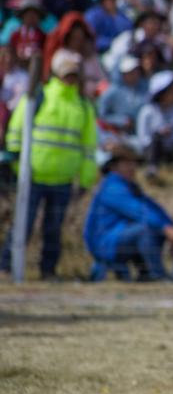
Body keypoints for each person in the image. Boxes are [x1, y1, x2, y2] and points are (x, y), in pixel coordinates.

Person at [1, 48, 96, 279]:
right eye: (67, 73)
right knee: (23, 225)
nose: (70, 78)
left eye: (74, 74)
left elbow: (88, 147)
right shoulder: (39, 95)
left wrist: (85, 179)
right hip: (32, 176)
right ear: (55, 73)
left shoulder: (83, 105)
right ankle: (6, 267)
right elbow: (17, 128)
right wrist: (14, 159)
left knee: (53, 230)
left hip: (63, 180)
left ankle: (48, 270)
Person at [84, 144, 173, 281]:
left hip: (119, 238)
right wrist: (166, 229)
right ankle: (158, 275)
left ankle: (146, 274)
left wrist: (170, 228)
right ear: (113, 166)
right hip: (105, 244)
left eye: (134, 163)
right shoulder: (112, 188)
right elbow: (139, 211)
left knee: (151, 227)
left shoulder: (130, 186)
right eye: (127, 163)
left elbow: (153, 208)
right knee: (146, 229)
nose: (132, 168)